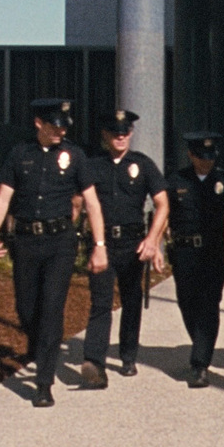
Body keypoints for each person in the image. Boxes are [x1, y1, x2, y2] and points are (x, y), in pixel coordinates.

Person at [0, 98, 108, 408]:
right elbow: (3, 198)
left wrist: (100, 245)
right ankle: (38, 345)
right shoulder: (19, 154)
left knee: (52, 308)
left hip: (60, 242)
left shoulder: (75, 155)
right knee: (27, 309)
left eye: (64, 125)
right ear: (38, 122)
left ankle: (43, 382)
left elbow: (92, 203)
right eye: (54, 124)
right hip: (25, 241)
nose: (60, 131)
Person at [79, 109, 169, 388]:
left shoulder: (143, 165)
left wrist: (153, 240)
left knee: (131, 301)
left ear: (131, 134)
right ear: (106, 135)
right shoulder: (92, 165)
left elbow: (163, 204)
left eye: (126, 132)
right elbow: (77, 203)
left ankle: (129, 355)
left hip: (133, 244)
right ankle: (94, 362)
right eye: (115, 132)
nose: (121, 137)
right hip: (102, 243)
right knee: (101, 303)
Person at [166, 132, 224, 388]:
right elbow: (164, 213)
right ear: (191, 155)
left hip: (214, 252)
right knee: (187, 301)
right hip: (184, 252)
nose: (207, 162)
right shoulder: (176, 180)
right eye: (201, 157)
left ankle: (200, 363)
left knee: (209, 304)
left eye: (211, 156)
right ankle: (200, 344)